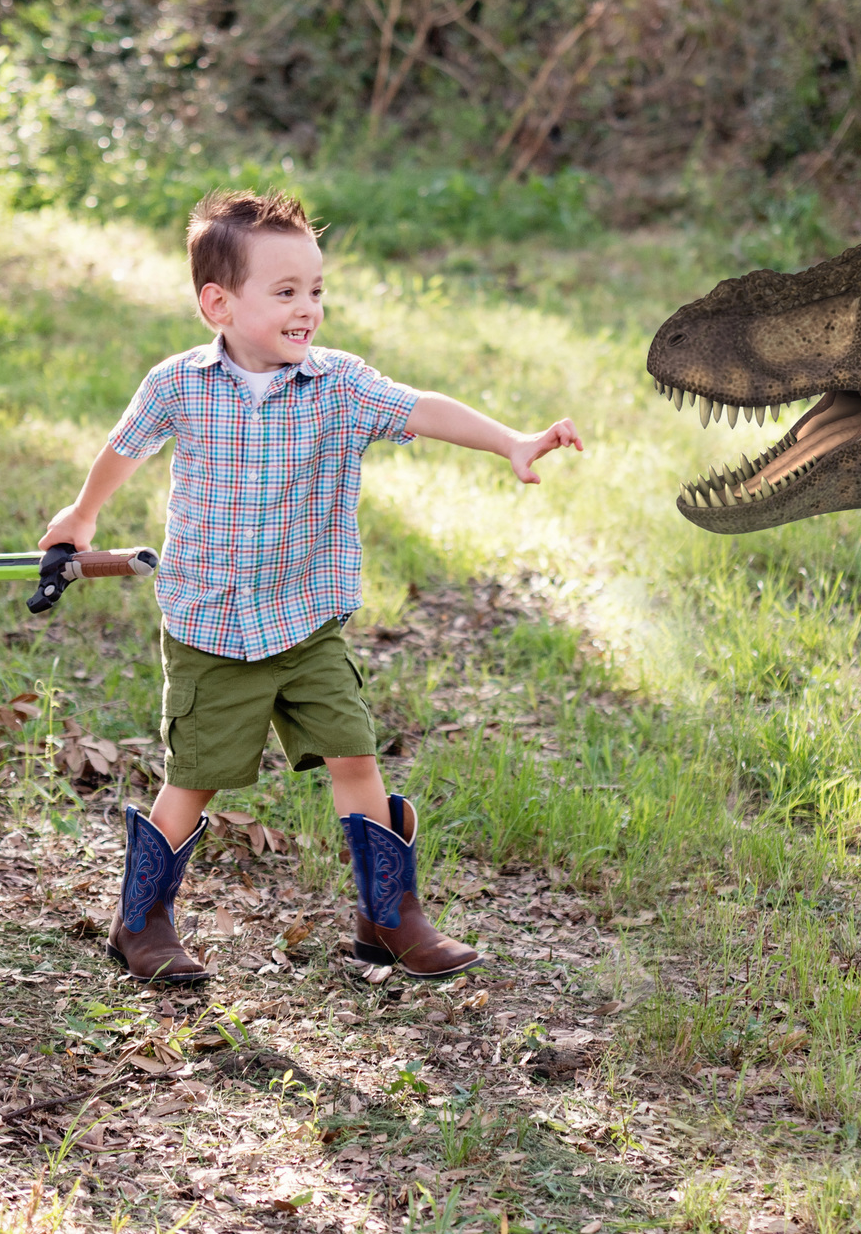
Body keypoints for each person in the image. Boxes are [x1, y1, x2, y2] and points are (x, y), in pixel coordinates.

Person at [41, 190, 582, 982]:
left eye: (316, 291)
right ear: (217, 303)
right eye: (286, 292)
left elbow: (422, 408)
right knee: (193, 777)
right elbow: (123, 448)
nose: (308, 309)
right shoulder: (178, 385)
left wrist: (510, 441)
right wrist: (81, 515)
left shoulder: (340, 384)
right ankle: (142, 921)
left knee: (354, 756)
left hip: (306, 623)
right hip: (212, 629)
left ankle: (388, 918)